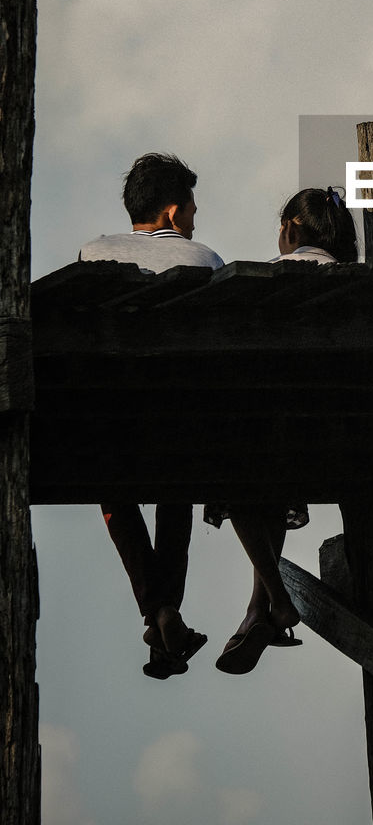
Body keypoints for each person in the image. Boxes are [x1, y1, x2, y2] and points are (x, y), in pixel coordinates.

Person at [79, 152, 224, 679]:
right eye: (190, 208)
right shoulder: (203, 259)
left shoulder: (91, 254)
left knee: (113, 486)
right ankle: (164, 613)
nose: (194, 220)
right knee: (176, 484)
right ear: (170, 212)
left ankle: (161, 612)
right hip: (181, 424)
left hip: (108, 421)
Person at [212, 187, 358, 675]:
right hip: (352, 439)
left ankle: (276, 599)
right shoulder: (355, 281)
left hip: (284, 438)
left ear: (291, 229)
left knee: (239, 467)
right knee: (265, 471)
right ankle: (259, 610)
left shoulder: (272, 279)